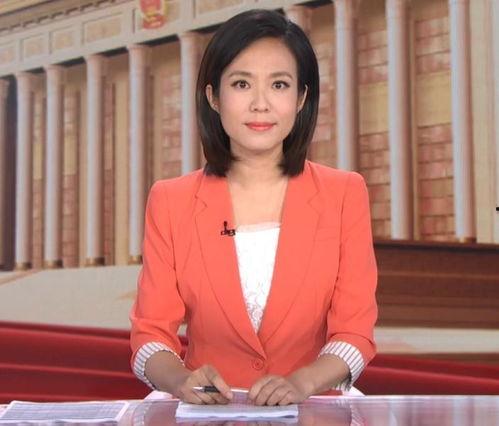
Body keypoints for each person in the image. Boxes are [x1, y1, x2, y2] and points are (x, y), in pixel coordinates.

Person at [130, 8, 377, 406]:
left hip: (315, 406)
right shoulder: (170, 200)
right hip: (206, 411)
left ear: (301, 98)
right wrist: (181, 381)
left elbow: (355, 332)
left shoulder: (344, 193)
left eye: (279, 85)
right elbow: (150, 335)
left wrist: (303, 383)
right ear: (213, 97)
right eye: (242, 84)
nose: (260, 104)